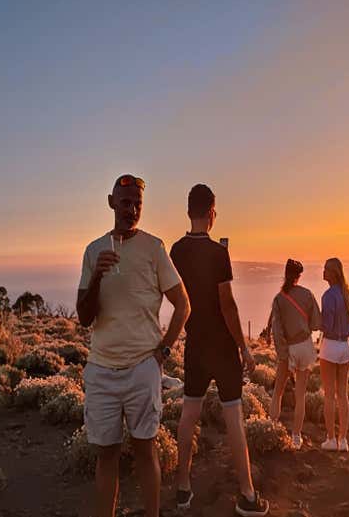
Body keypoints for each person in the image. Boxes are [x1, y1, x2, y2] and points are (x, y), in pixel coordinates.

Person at [76, 175, 190, 517]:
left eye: (138, 203)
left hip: (143, 368)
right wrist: (97, 276)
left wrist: (163, 352)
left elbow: (183, 305)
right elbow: (84, 317)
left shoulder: (154, 248)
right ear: (111, 202)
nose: (132, 209)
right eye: (125, 202)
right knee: (106, 455)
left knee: (146, 450)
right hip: (101, 370)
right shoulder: (94, 250)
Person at [169, 184, 269, 516]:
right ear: (212, 212)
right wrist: (244, 347)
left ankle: (182, 488)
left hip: (195, 343)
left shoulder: (176, 251)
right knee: (234, 419)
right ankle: (248, 496)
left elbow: (175, 298)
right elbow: (228, 305)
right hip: (223, 347)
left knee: (188, 415)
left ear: (188, 212)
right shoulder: (218, 253)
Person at [268, 259, 321, 450]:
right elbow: (316, 324)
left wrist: (283, 353)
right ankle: (296, 437)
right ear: (299, 275)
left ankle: (272, 428)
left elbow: (277, 330)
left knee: (278, 392)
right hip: (305, 347)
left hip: (288, 349)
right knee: (300, 395)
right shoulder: (307, 295)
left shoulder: (279, 299)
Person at [318, 258, 349, 452]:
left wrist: (315, 322)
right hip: (345, 347)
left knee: (329, 395)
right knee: (343, 394)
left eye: (325, 269)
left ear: (332, 272)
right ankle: (344, 440)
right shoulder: (346, 294)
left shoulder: (328, 295)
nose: (322, 271)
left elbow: (327, 326)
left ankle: (331, 439)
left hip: (330, 346)